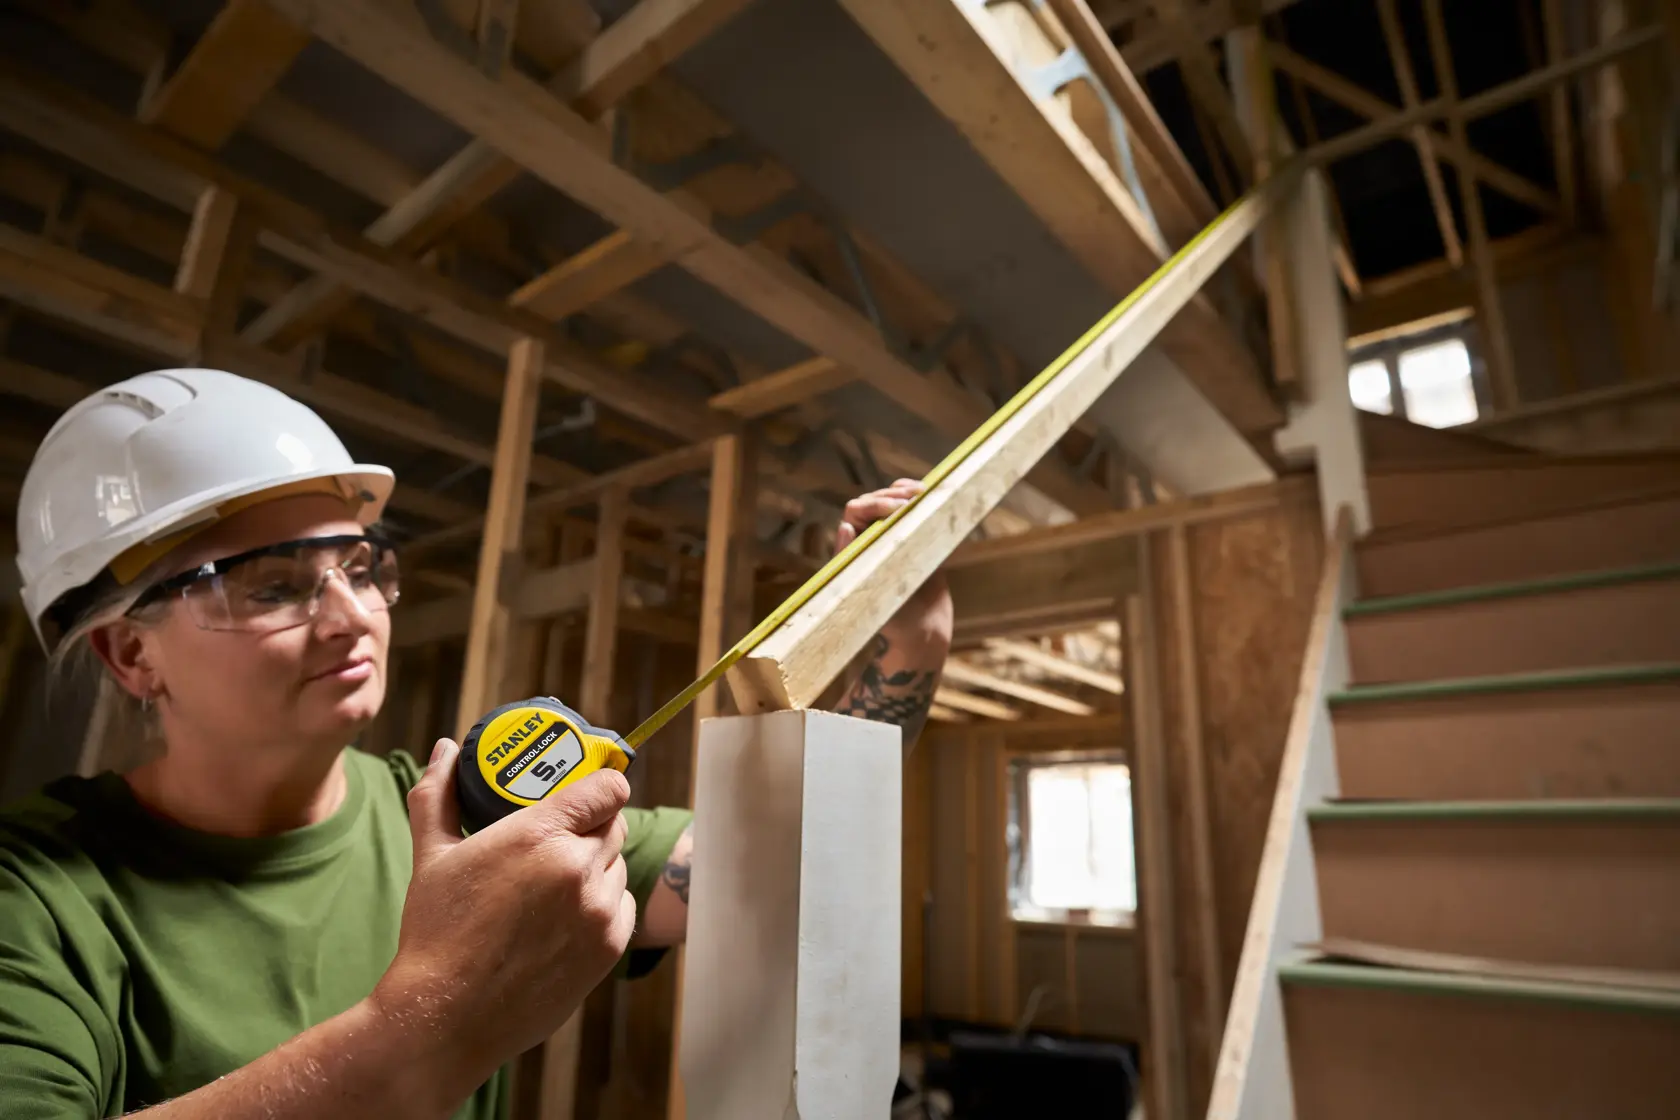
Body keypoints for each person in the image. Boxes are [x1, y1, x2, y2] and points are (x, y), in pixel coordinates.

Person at [0, 367, 953, 1119]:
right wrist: (422, 1030)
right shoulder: (34, 899)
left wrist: (909, 648)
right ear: (130, 653)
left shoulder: (463, 820)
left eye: (360, 566)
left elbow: (775, 865)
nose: (352, 616)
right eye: (273, 585)